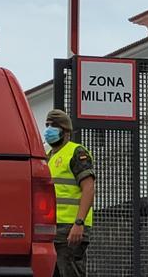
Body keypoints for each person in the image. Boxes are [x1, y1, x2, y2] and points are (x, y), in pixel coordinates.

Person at [44, 109, 95, 277]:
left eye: (53, 126)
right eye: (47, 125)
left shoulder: (77, 152)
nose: (48, 130)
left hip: (71, 230)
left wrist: (78, 224)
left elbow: (88, 188)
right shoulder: (48, 156)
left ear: (66, 132)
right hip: (53, 230)